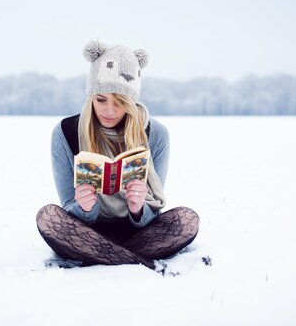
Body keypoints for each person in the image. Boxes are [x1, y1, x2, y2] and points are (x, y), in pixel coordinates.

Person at [36, 40, 199, 270]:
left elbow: (154, 213)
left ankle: (101, 257)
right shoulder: (65, 133)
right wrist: (83, 207)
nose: (109, 111)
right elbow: (67, 207)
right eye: (100, 99)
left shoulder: (157, 135)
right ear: (90, 95)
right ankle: (139, 262)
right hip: (86, 232)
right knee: (49, 218)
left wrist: (139, 208)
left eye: (120, 102)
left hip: (138, 234)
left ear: (132, 102)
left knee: (186, 220)